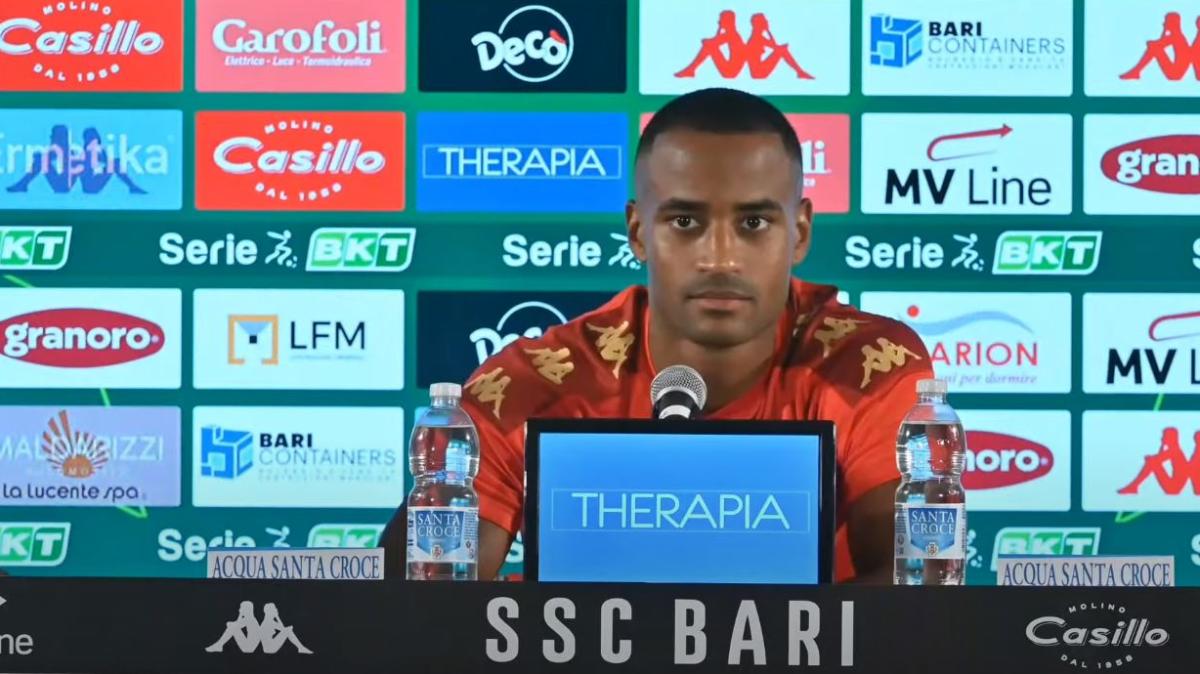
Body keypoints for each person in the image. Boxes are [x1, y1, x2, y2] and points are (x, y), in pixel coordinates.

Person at [382, 87, 933, 583]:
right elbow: (412, 596)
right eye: (685, 222)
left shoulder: (867, 365)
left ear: (801, 232)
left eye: (754, 223)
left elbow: (917, 583)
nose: (720, 258)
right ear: (639, 232)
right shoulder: (539, 380)